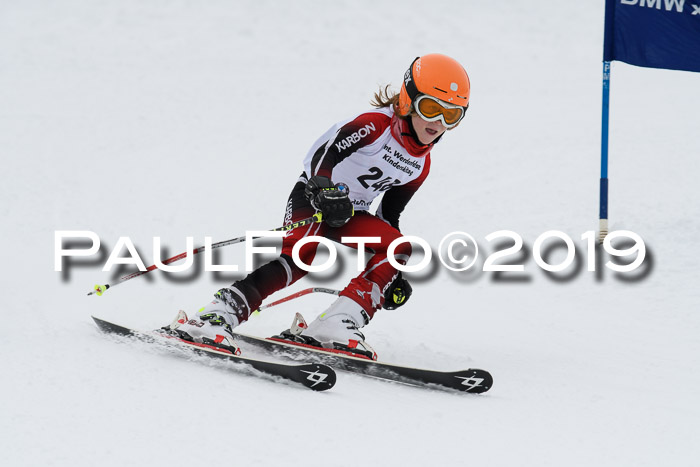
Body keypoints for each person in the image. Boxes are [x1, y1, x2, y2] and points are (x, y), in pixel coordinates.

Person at [165, 53, 471, 359]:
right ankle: (217, 315)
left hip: (351, 214)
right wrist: (324, 188)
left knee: (398, 247)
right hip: (312, 198)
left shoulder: (421, 164)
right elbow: (321, 154)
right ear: (407, 100)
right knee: (303, 254)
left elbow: (389, 216)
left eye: (452, 115)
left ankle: (337, 323)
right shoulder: (375, 125)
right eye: (430, 108)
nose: (438, 122)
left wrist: (389, 274)